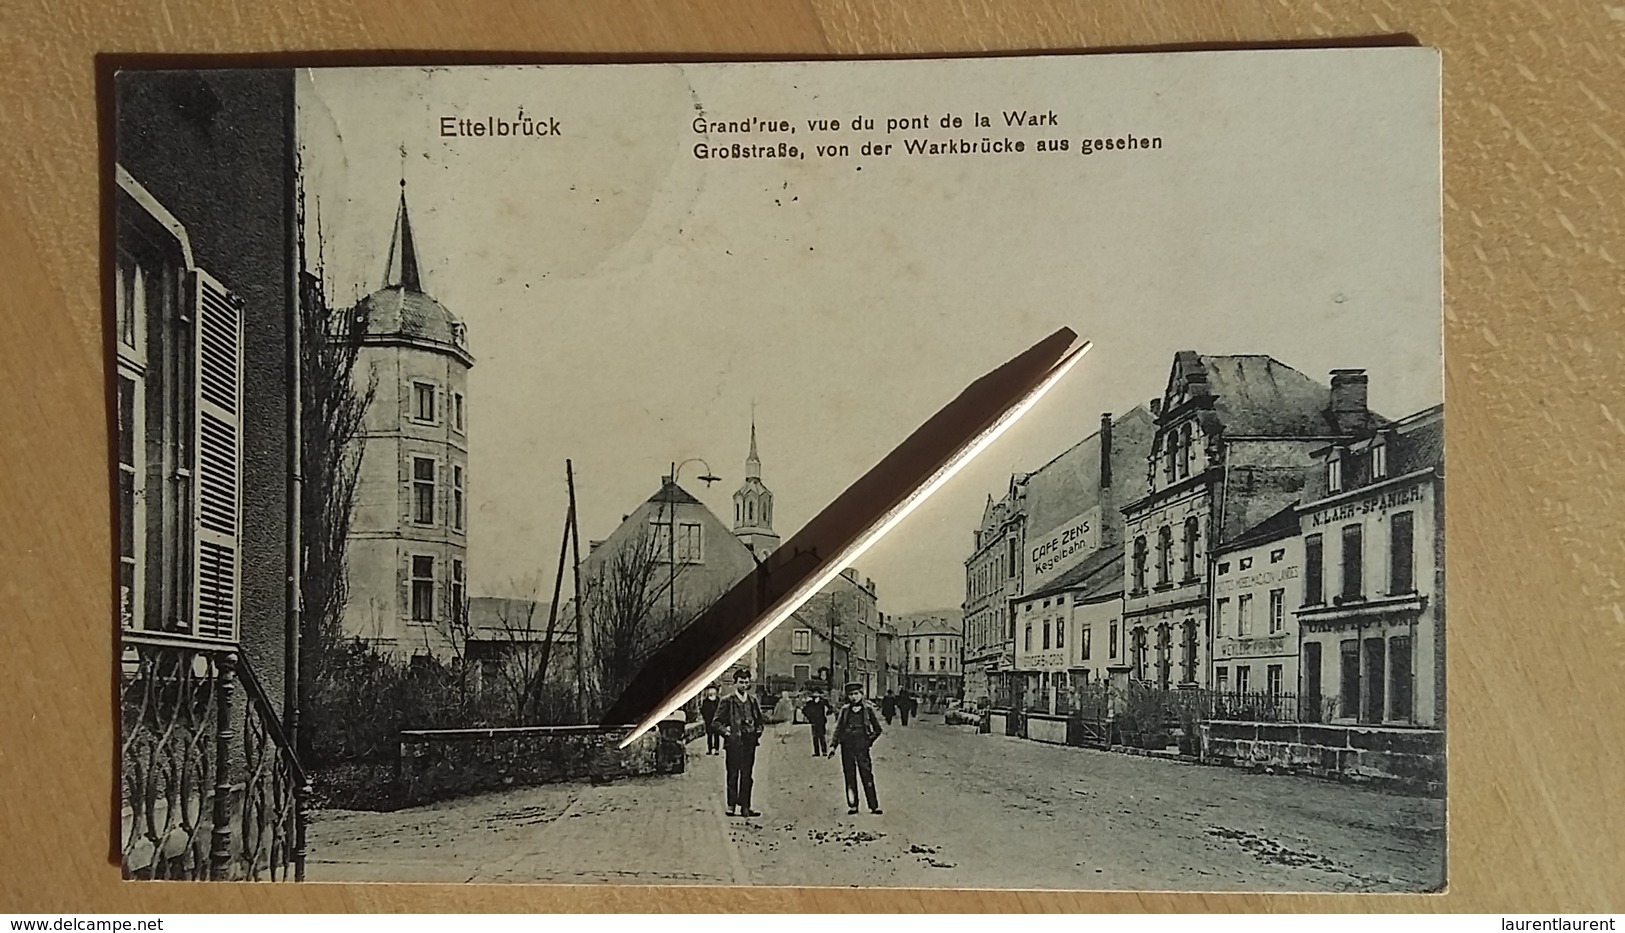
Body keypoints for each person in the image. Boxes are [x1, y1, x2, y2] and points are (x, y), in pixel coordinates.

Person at [829, 681, 883, 815]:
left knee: (867, 776)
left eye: (856, 694)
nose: (853, 697)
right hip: (847, 747)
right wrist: (833, 746)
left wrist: (868, 742)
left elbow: (878, 729)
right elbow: (839, 729)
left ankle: (873, 806)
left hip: (861, 748)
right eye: (851, 694)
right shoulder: (845, 710)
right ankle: (853, 805)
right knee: (849, 776)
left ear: (861, 694)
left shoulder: (867, 710)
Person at [716, 668, 764, 817]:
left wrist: (757, 732)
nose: (744, 685)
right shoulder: (727, 701)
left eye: (746, 682)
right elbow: (716, 723)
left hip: (749, 744)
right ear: (735, 683)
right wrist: (727, 733)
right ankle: (731, 805)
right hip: (734, 744)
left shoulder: (752, 700)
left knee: (747, 775)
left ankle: (745, 806)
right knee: (733, 774)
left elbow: (760, 722)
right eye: (741, 682)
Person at [802, 687, 833, 757]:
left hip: (821, 720)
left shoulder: (823, 701)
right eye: (815, 693)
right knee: (815, 737)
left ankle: (824, 751)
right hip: (813, 721)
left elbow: (830, 708)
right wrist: (809, 717)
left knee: (822, 736)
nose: (816, 695)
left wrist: (828, 712)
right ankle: (816, 752)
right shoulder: (810, 702)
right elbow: (804, 710)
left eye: (817, 693)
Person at [700, 685, 722, 756]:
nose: (711, 692)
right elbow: (703, 710)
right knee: (709, 735)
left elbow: (721, 710)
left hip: (716, 721)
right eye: (710, 691)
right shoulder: (705, 701)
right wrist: (706, 718)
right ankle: (709, 749)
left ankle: (716, 749)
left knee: (716, 735)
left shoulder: (718, 701)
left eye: (713, 690)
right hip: (708, 720)